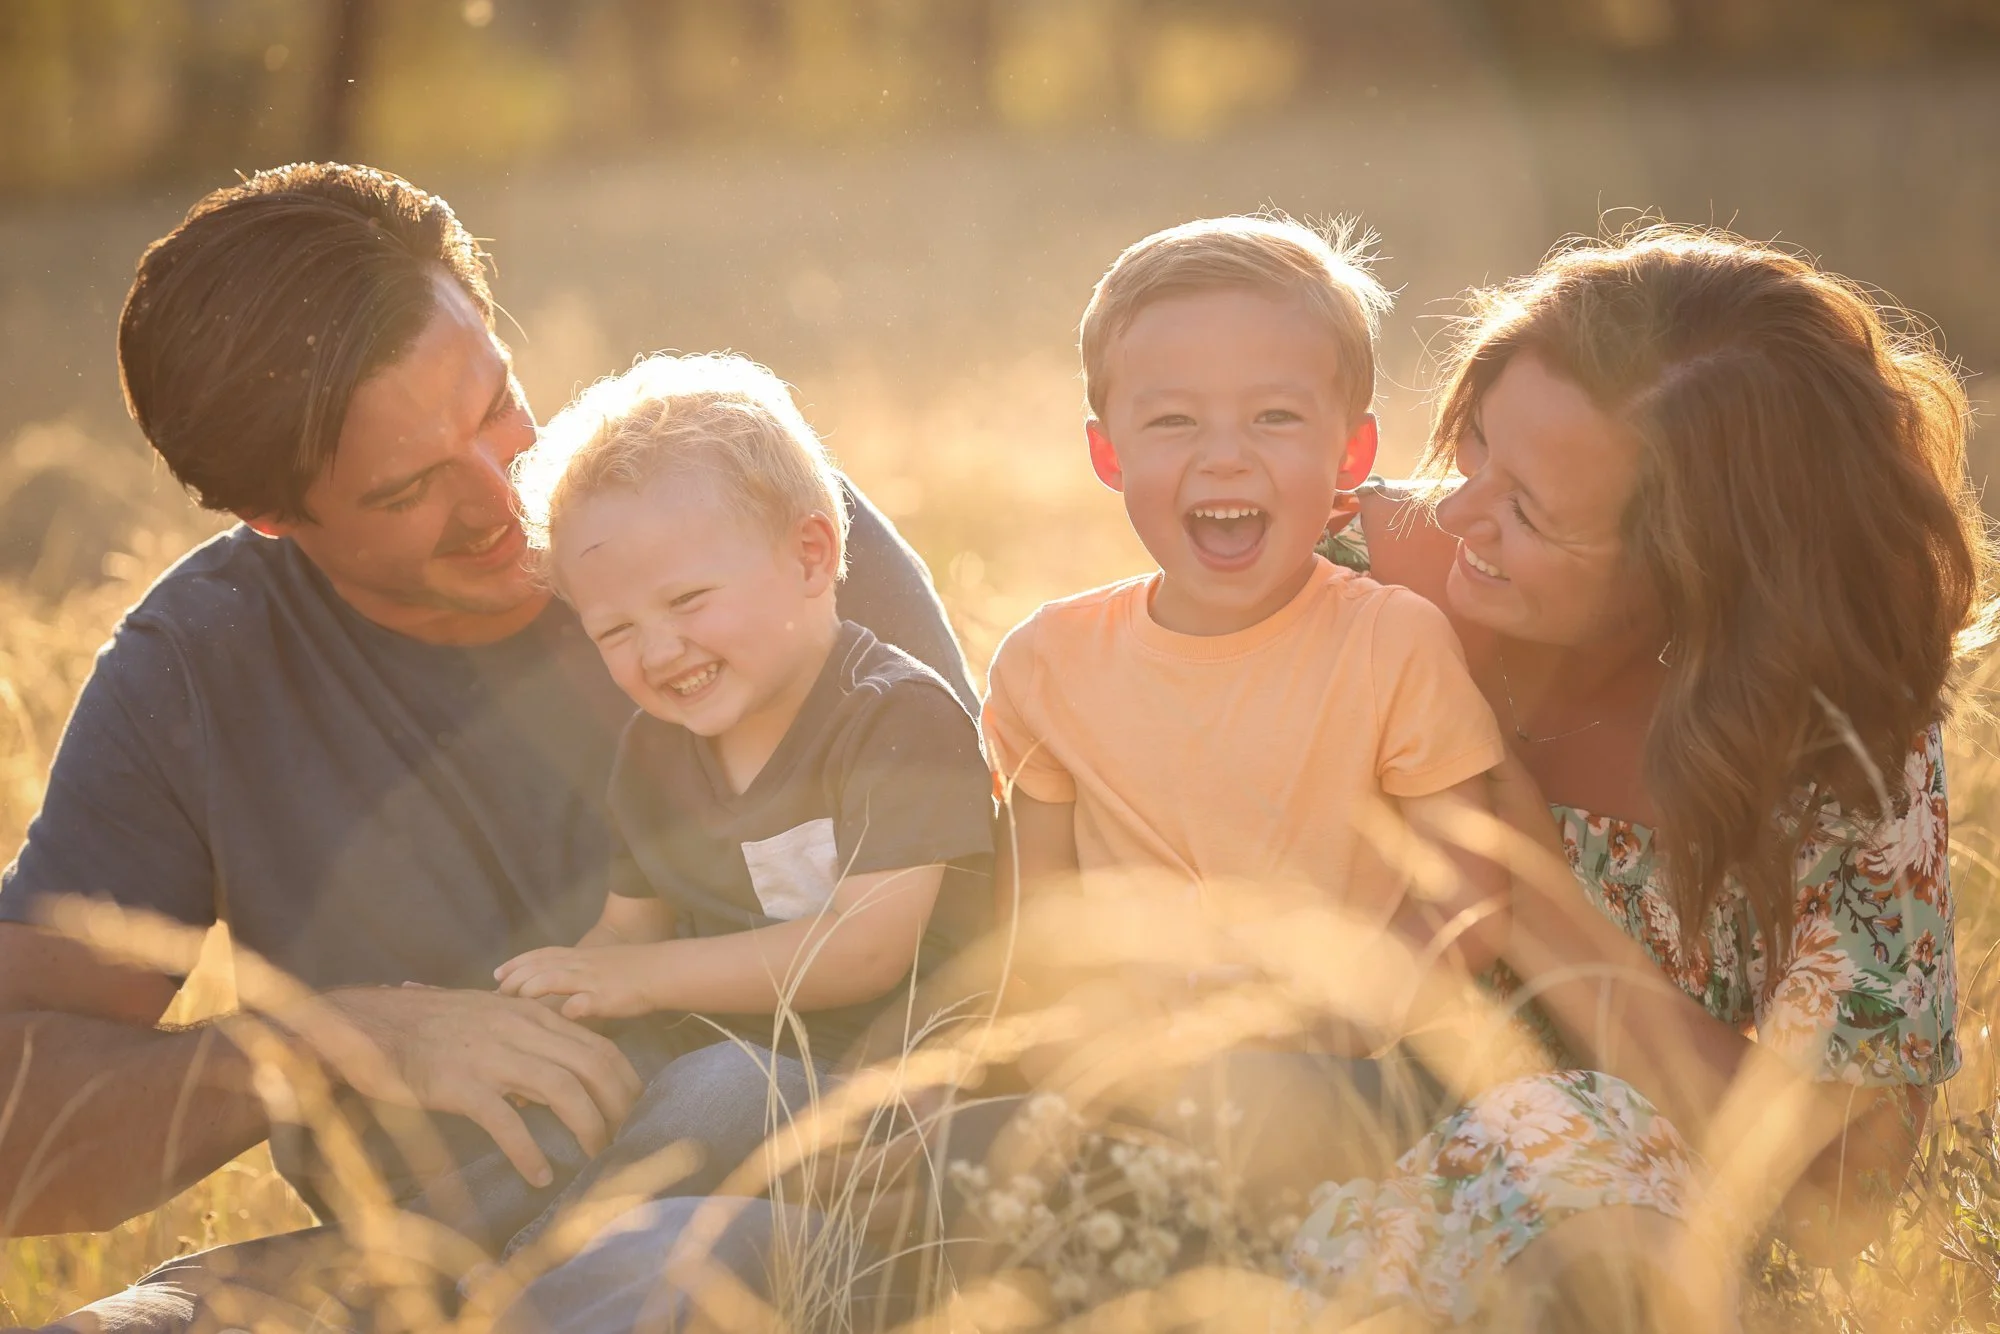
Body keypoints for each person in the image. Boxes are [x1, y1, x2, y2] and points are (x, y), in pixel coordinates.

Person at [0, 163, 972, 1331]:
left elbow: (1007, 941)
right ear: (274, 515)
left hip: (784, 1223)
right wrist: (327, 1041)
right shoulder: (199, 667)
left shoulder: (738, 526)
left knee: (666, 1271)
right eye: (408, 486)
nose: (504, 496)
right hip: (398, 1269)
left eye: (495, 403)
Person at [1288, 226, 1993, 1327]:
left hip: (1607, 1261)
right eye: (1477, 444)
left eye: (1528, 509)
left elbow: (1841, 1191)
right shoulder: (1328, 578)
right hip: (1275, 1159)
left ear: (1703, 572)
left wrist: (1525, 885)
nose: (1456, 512)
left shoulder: (1837, 746)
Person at [411, 352, 995, 1256]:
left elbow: (865, 949)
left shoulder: (896, 717)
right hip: (722, 1066)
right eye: (615, 629)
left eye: (687, 600)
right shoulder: (656, 753)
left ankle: (517, 1288)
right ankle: (394, 1269)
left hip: (889, 1092)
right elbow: (628, 930)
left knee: (720, 1089)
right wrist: (560, 998)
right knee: (578, 1092)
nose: (658, 651)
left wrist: (639, 980)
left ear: (810, 556)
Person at [978, 215, 1512, 1206]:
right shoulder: (1045, 662)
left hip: (1346, 1069)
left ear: (1351, 450)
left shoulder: (1390, 642)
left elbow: (1465, 898)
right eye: (1173, 422)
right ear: (1107, 453)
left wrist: (1320, 1021)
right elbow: (1036, 922)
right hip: (1128, 1075)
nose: (1224, 457)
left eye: (1273, 417)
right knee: (954, 1154)